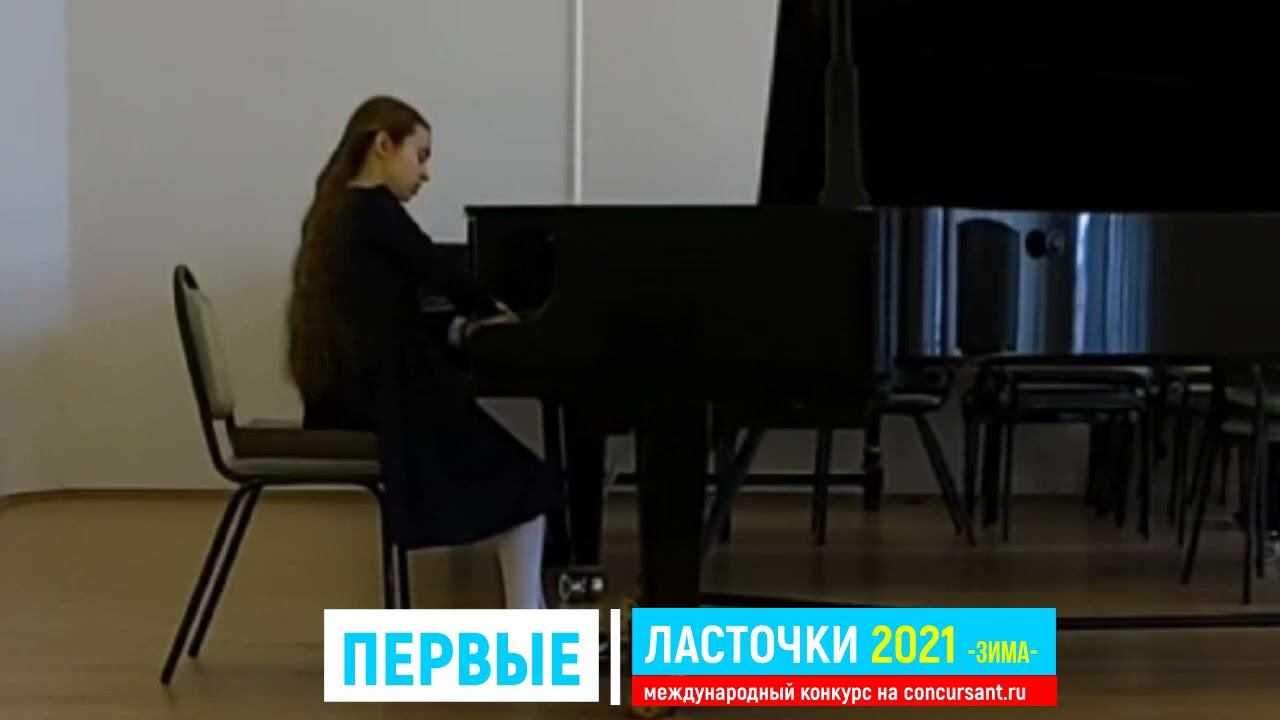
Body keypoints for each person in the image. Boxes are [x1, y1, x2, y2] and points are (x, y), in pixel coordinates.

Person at [286, 96, 564, 609]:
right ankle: (529, 620)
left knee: (521, 484)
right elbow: (439, 270)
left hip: (349, 395)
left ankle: (532, 616)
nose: (426, 173)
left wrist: (458, 328)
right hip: (383, 402)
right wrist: (493, 310)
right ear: (382, 145)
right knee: (529, 486)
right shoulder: (372, 210)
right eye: (420, 155)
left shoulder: (338, 212)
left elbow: (389, 312)